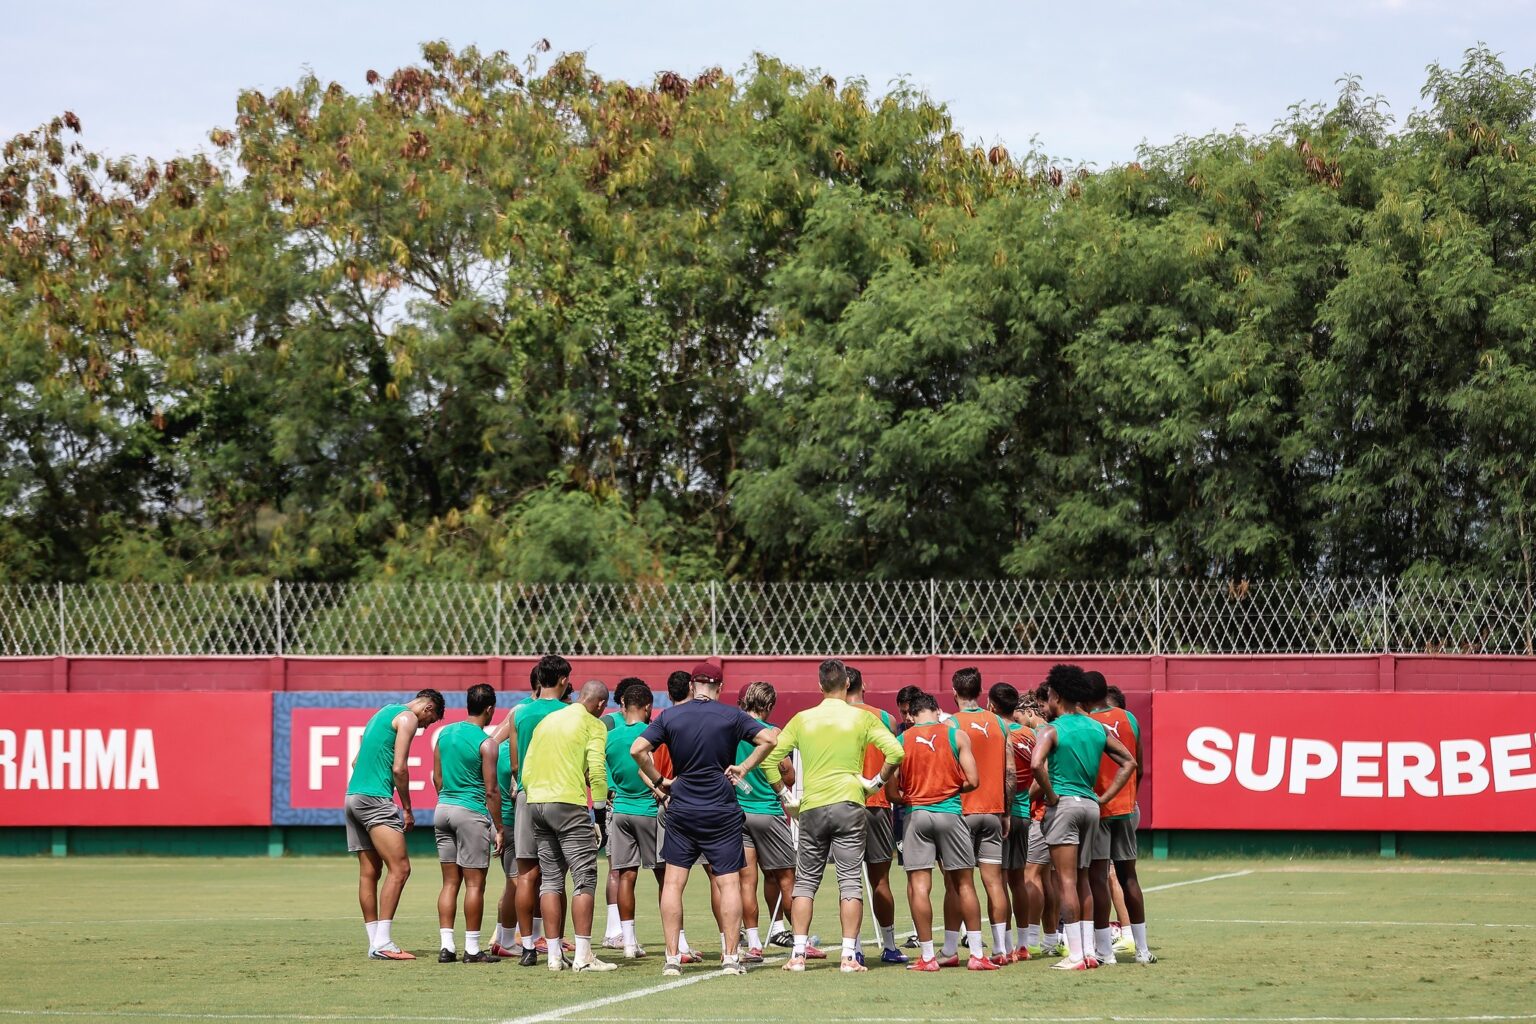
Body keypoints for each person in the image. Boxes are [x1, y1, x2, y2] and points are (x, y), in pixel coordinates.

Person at [632, 660, 779, 978]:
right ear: (720, 688)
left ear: (691, 686)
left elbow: (637, 749)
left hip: (682, 807)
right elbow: (771, 740)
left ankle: (671, 958)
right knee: (729, 882)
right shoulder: (732, 715)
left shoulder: (670, 715)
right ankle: (729, 958)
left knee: (673, 882)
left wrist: (659, 781)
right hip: (721, 809)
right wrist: (744, 768)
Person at [762, 659, 904, 975]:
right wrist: (876, 782)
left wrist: (786, 797)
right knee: (850, 881)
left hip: (812, 805)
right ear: (846, 684)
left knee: (806, 882)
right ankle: (848, 956)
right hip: (850, 803)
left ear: (820, 686)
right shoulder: (862, 718)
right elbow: (896, 752)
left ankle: (798, 954)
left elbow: (769, 760)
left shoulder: (802, 719)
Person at [1030, 664, 1136, 971]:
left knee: (1065, 881)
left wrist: (1049, 795)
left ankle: (1076, 955)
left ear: (1058, 696)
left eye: (1048, 694)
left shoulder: (1052, 729)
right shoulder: (1096, 727)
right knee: (1087, 879)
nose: (1046, 700)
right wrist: (1102, 798)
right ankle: (1090, 951)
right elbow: (1128, 762)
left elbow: (1037, 764)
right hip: (1091, 806)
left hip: (1065, 806)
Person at [520, 679, 617, 972]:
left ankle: (552, 955)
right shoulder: (594, 725)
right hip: (567, 804)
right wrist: (598, 814)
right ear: (600, 705)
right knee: (584, 877)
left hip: (535, 802)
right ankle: (584, 956)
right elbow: (597, 770)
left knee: (550, 879)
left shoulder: (548, 721)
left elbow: (526, 767)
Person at [892, 691, 992, 971]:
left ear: (911, 715)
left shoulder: (901, 741)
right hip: (950, 813)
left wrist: (911, 797)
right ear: (936, 710)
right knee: (964, 883)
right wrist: (948, 790)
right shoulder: (956, 735)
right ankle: (976, 954)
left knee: (919, 886)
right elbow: (973, 780)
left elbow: (891, 790)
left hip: (917, 814)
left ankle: (927, 957)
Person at [344, 688, 445, 960]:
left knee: (369, 872)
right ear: (428, 709)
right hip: (375, 800)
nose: (424, 728)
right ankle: (384, 942)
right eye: (429, 722)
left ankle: (374, 942)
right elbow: (399, 768)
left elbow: (355, 761)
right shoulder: (407, 718)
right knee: (400, 869)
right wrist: (407, 809)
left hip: (353, 797)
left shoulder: (381, 713)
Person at [485, 657, 573, 967]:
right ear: (563, 679)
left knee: (525, 875)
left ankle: (526, 949)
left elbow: (512, 762)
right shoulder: (569, 712)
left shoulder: (519, 713)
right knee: (556, 877)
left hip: (524, 795)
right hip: (560, 794)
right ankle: (553, 944)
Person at [944, 667, 1014, 967]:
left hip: (961, 812)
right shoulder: (999, 723)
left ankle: (951, 950)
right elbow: (1010, 772)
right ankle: (1002, 948)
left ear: (954, 691)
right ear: (980, 691)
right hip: (993, 811)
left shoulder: (950, 724)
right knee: (995, 883)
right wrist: (1006, 811)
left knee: (956, 884)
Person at [432, 683, 505, 964]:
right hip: (470, 812)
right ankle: (473, 949)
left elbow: (436, 778)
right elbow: (491, 791)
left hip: (443, 810)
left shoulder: (445, 734)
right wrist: (498, 827)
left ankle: (446, 947)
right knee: (475, 884)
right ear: (490, 709)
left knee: (450, 882)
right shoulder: (486, 743)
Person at [734, 681, 802, 963]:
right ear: (770, 706)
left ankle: (754, 944)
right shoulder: (773, 733)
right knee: (788, 879)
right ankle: (800, 941)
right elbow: (789, 775)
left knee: (746, 882)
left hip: (738, 812)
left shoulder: (731, 730)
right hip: (769, 812)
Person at [846, 666, 907, 965]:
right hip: (878, 804)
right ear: (863, 685)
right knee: (880, 880)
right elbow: (892, 760)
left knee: (849, 881)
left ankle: (853, 948)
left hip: (844, 803)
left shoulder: (833, 717)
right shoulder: (886, 718)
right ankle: (890, 945)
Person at [1090, 678, 1154, 964]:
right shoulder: (1129, 718)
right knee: (1130, 877)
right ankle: (1142, 950)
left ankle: (1105, 952)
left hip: (1099, 809)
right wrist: (1129, 795)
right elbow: (1137, 763)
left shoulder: (1088, 724)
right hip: (1127, 807)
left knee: (1100, 878)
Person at [653, 668, 711, 963]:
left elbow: (643, 761)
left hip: (672, 807)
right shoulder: (695, 721)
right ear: (691, 688)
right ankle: (733, 942)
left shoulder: (663, 723)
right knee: (721, 876)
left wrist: (662, 791)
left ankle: (676, 948)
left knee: (671, 879)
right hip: (701, 805)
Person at [604, 679, 660, 959]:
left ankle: (627, 943)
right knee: (667, 877)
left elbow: (603, 776)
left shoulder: (610, 738)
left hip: (621, 811)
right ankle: (679, 943)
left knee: (626, 875)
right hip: (649, 810)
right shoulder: (653, 735)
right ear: (648, 706)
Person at [988, 681, 1035, 962]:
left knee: (999, 881)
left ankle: (1003, 946)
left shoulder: (997, 732)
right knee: (1019, 880)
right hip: (1025, 812)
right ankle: (1024, 944)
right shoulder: (1030, 733)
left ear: (992, 705)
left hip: (1002, 811)